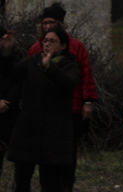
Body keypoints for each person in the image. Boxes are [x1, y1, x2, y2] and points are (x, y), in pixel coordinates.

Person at [27, 3, 99, 192]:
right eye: (44, 23)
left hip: (71, 109)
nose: (47, 27)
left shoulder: (76, 47)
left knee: (68, 154)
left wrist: (88, 101)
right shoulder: (36, 48)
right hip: (44, 112)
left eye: (51, 22)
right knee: (45, 155)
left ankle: (66, 186)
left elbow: (86, 74)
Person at [9, 26, 80, 192]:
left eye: (52, 41)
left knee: (50, 182)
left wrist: (50, 68)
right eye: (45, 41)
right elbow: (12, 73)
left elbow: (68, 83)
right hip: (28, 130)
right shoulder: (32, 61)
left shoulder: (69, 65)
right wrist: (8, 51)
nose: (47, 44)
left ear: (63, 46)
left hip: (54, 134)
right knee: (21, 180)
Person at [0, 27, 23, 181]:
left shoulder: (15, 57)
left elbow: (19, 80)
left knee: (20, 159)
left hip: (12, 112)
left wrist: (8, 100)